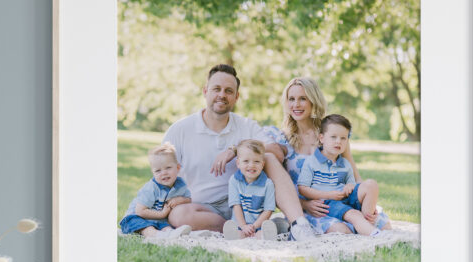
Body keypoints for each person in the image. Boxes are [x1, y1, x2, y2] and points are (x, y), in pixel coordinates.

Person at [163, 64, 314, 239]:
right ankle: (252, 229)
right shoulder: (179, 130)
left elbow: (278, 153)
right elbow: (161, 174)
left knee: (267, 157)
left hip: (249, 203)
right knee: (178, 215)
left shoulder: (246, 126)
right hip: (203, 209)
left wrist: (235, 150)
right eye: (216, 89)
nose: (222, 95)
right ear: (205, 91)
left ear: (236, 96)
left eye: (228, 91)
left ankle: (299, 225)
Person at [262, 76, 390, 234]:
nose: (296, 104)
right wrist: (304, 205)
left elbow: (354, 175)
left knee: (384, 226)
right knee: (342, 232)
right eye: (291, 99)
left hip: (342, 198)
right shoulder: (280, 139)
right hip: (312, 208)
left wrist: (364, 201)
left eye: (303, 98)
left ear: (313, 101)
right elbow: (278, 187)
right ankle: (287, 224)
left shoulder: (333, 133)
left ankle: (364, 223)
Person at [298, 114, 384, 236]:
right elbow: (302, 189)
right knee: (354, 214)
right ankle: (374, 234)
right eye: (333, 137)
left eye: (343, 138)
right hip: (328, 202)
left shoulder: (345, 163)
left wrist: (350, 185)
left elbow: (352, 183)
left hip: (345, 197)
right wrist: (328, 195)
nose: (338, 141)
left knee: (371, 185)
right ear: (321, 138)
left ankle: (368, 221)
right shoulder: (312, 162)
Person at [119, 143, 193, 241]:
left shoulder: (180, 185)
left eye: (168, 168)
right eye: (158, 171)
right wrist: (162, 214)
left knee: (166, 226)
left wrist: (180, 199)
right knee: (146, 227)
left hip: (158, 219)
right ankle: (156, 235)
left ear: (178, 168)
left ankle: (172, 234)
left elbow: (189, 199)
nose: (164, 173)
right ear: (153, 173)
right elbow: (140, 211)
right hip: (136, 217)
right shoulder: (151, 188)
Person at [222, 139, 281, 240]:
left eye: (257, 161)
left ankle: (266, 236)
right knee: (238, 234)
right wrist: (244, 226)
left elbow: (268, 210)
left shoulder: (267, 184)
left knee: (261, 234)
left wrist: (254, 227)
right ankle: (234, 235)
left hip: (259, 224)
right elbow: (236, 206)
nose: (251, 165)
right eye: (246, 161)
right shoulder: (234, 180)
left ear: (262, 164)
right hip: (240, 224)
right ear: (238, 163)